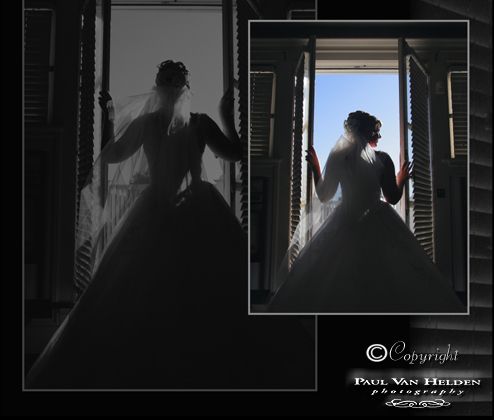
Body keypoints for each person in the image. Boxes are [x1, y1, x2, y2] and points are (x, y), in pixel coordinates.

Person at [25, 60, 315, 390]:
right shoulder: (168, 123)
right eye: (172, 84)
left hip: (179, 204)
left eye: (175, 84)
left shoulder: (193, 123)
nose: (174, 90)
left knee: (180, 281)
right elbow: (112, 154)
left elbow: (234, 154)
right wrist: (108, 116)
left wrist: (225, 116)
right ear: (173, 88)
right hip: (174, 205)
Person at [265, 110, 466, 314]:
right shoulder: (383, 159)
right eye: (376, 132)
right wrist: (401, 180)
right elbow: (393, 198)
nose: (379, 136)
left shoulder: (338, 157)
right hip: (377, 218)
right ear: (366, 131)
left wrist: (317, 169)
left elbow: (325, 195)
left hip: (345, 220)